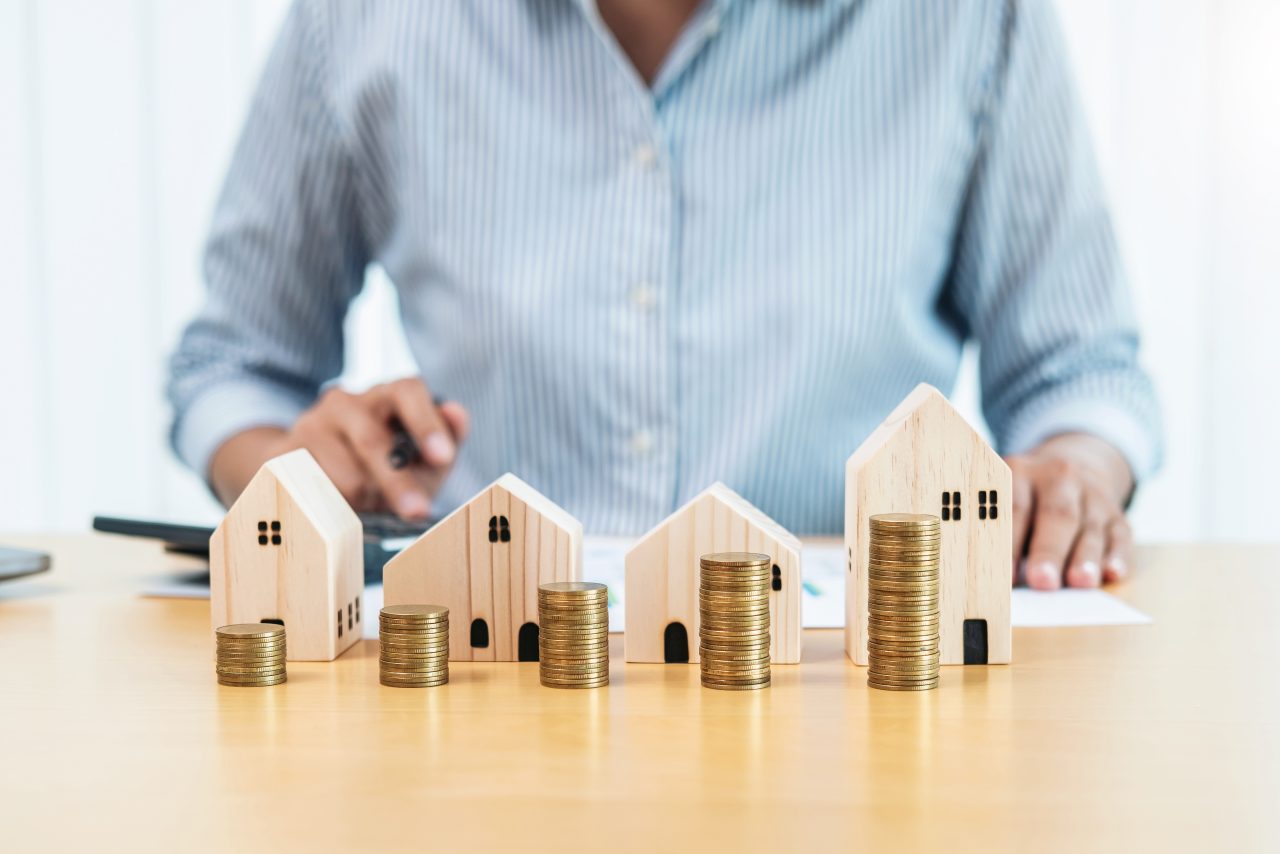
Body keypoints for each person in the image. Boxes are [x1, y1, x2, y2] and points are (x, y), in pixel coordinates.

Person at [168, 0, 1161, 592]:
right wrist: (292, 474)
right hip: (485, 680)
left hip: (848, 690)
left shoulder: (970, 19)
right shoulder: (361, 21)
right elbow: (233, 366)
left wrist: (1066, 473)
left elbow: (1079, 373)